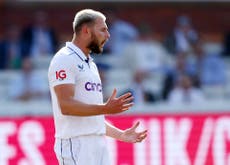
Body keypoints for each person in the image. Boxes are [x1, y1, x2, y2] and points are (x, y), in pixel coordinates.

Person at [48, 9, 147, 165]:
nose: (108, 35)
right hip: (76, 144)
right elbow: (66, 106)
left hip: (97, 144)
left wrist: (121, 135)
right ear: (86, 30)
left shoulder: (91, 64)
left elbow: (93, 118)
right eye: (103, 30)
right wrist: (105, 109)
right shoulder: (65, 59)